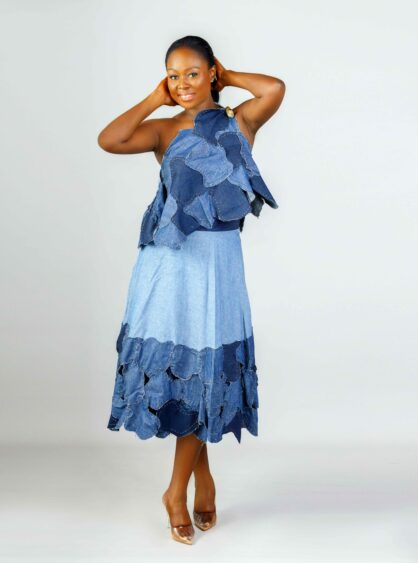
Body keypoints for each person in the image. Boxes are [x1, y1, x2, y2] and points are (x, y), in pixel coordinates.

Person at [97, 35, 285, 545]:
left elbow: (274, 88)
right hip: (170, 264)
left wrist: (229, 76)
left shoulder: (239, 122)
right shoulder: (163, 130)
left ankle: (184, 484)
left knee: (209, 372)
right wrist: (154, 99)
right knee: (187, 372)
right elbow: (109, 139)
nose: (182, 83)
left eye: (193, 73)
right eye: (173, 75)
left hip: (219, 265)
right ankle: (183, 489)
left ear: (211, 73)